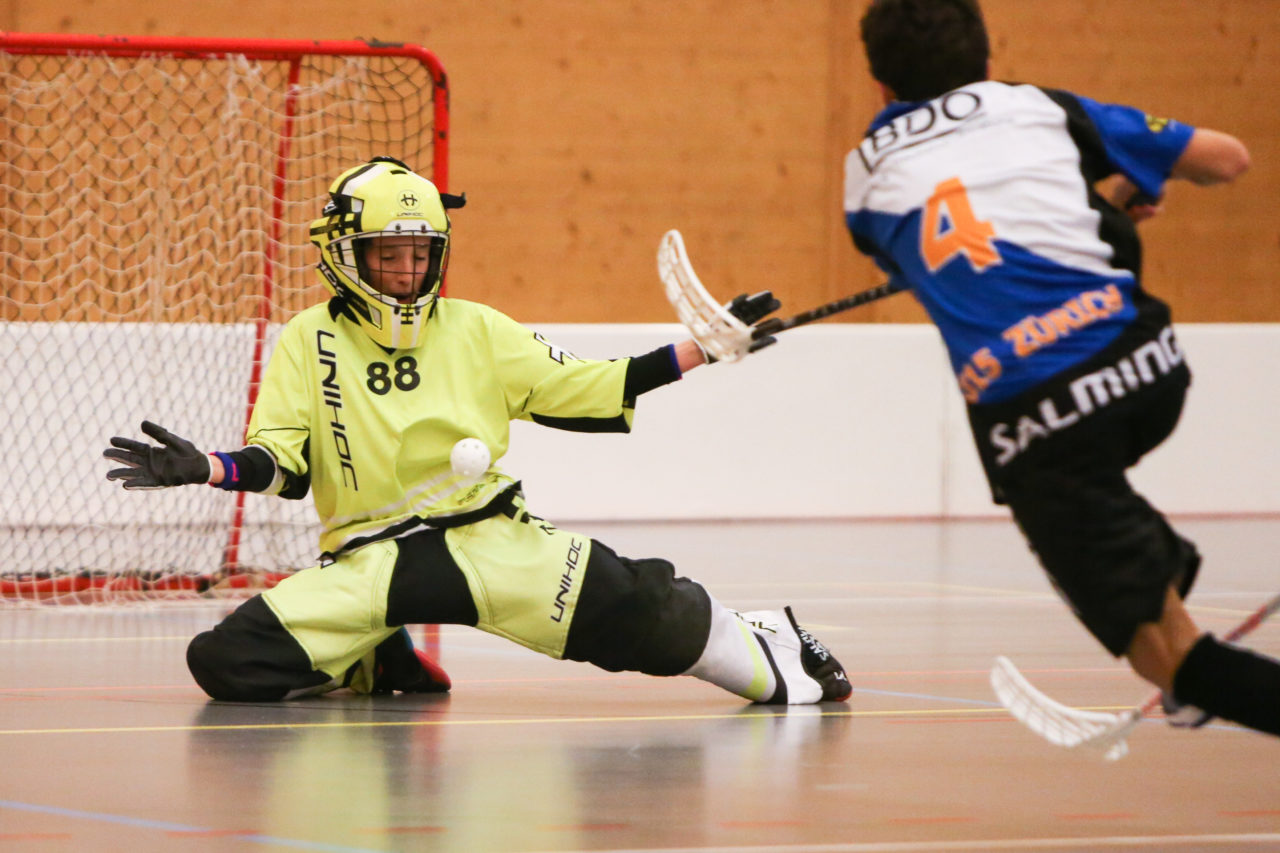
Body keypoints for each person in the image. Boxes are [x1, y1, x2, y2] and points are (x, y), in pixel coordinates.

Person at [103, 156, 851, 707]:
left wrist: (698, 349)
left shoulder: (477, 329)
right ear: (345, 252)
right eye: (388, 254)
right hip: (370, 560)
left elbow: (586, 385)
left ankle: (768, 642)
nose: (405, 271)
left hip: (492, 539)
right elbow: (286, 465)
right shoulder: (307, 339)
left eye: (419, 254)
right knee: (226, 662)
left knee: (644, 612)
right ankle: (369, 643)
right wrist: (206, 465)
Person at [847, 0, 1278, 735]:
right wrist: (1110, 199)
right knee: (1129, 554)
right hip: (1148, 363)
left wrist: (1099, 207)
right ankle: (1162, 582)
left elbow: (964, 262)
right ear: (986, 62)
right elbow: (1227, 157)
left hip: (1039, 418)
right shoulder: (1038, 106)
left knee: (1169, 657)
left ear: (881, 86)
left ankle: (1188, 650)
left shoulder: (864, 179)